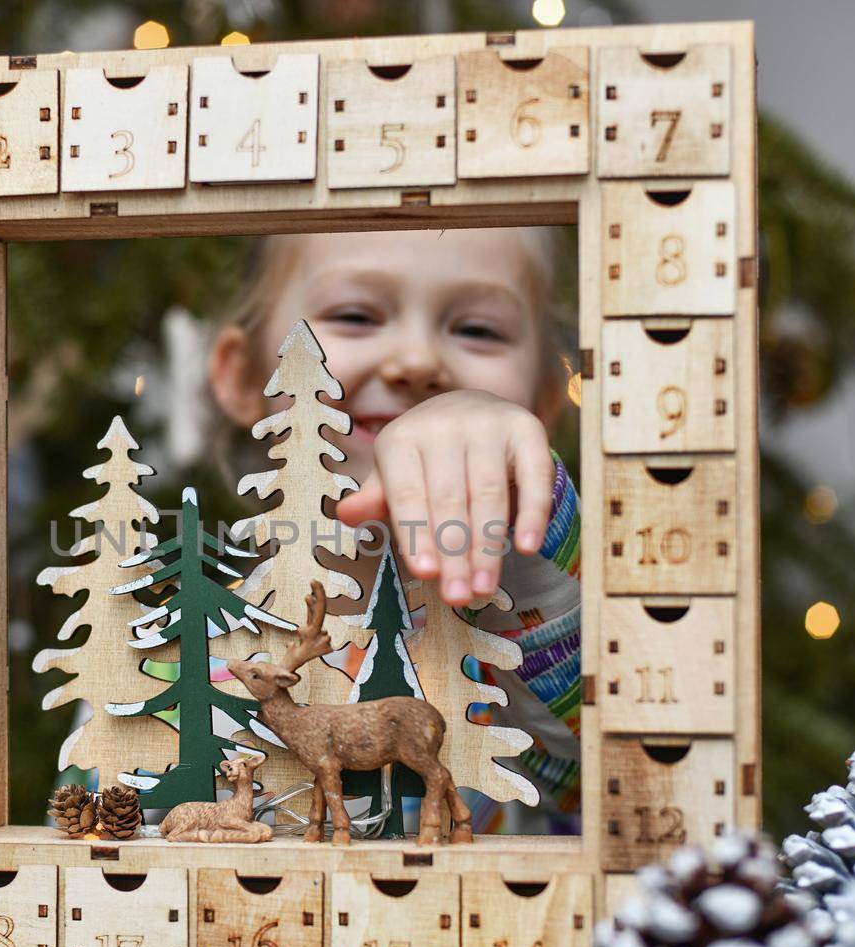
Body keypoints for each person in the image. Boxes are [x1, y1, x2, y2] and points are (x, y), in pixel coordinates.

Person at [206, 227, 583, 834]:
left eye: (478, 329)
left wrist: (520, 532)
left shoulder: (526, 646)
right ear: (246, 376)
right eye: (355, 315)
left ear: (541, 403)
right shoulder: (172, 658)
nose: (416, 361)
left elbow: (603, 755)